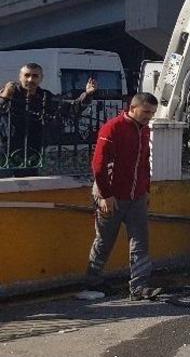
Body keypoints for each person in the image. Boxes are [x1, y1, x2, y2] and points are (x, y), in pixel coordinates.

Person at [85, 92, 163, 300]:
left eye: (152, 113)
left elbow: (145, 163)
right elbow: (99, 165)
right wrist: (105, 195)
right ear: (133, 108)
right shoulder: (113, 128)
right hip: (111, 196)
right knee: (105, 240)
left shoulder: (144, 130)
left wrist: (146, 189)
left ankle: (139, 287)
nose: (149, 117)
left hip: (136, 196)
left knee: (140, 241)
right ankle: (92, 280)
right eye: (146, 112)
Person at [0, 63, 96, 176]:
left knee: (28, 188)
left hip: (32, 152)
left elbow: (70, 110)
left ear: (41, 78)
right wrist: (4, 98)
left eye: (35, 76)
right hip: (4, 151)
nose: (30, 79)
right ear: (20, 77)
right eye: (27, 75)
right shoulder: (9, 92)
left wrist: (87, 95)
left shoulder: (45, 97)